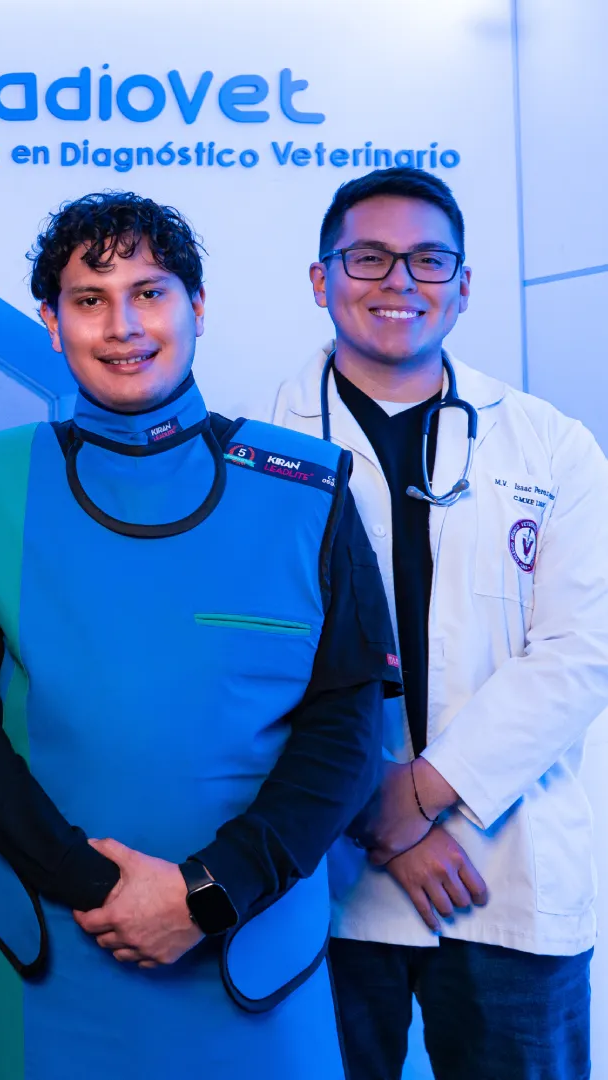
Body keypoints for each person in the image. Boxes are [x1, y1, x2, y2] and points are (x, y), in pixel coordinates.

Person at [0, 191, 402, 1078]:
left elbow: (345, 729)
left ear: (197, 307)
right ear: (51, 323)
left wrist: (206, 895)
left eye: (150, 292)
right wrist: (95, 887)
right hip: (50, 954)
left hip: (251, 961)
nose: (123, 325)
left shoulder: (307, 490)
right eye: (89, 299)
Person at [269, 166, 608, 1080]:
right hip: (324, 884)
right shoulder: (256, 451)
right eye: (369, 258)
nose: (400, 281)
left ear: (463, 285)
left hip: (506, 877)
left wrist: (417, 796)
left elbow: (583, 650)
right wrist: (383, 819)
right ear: (321, 279)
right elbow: (250, 670)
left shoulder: (553, 445)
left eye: (428, 260)